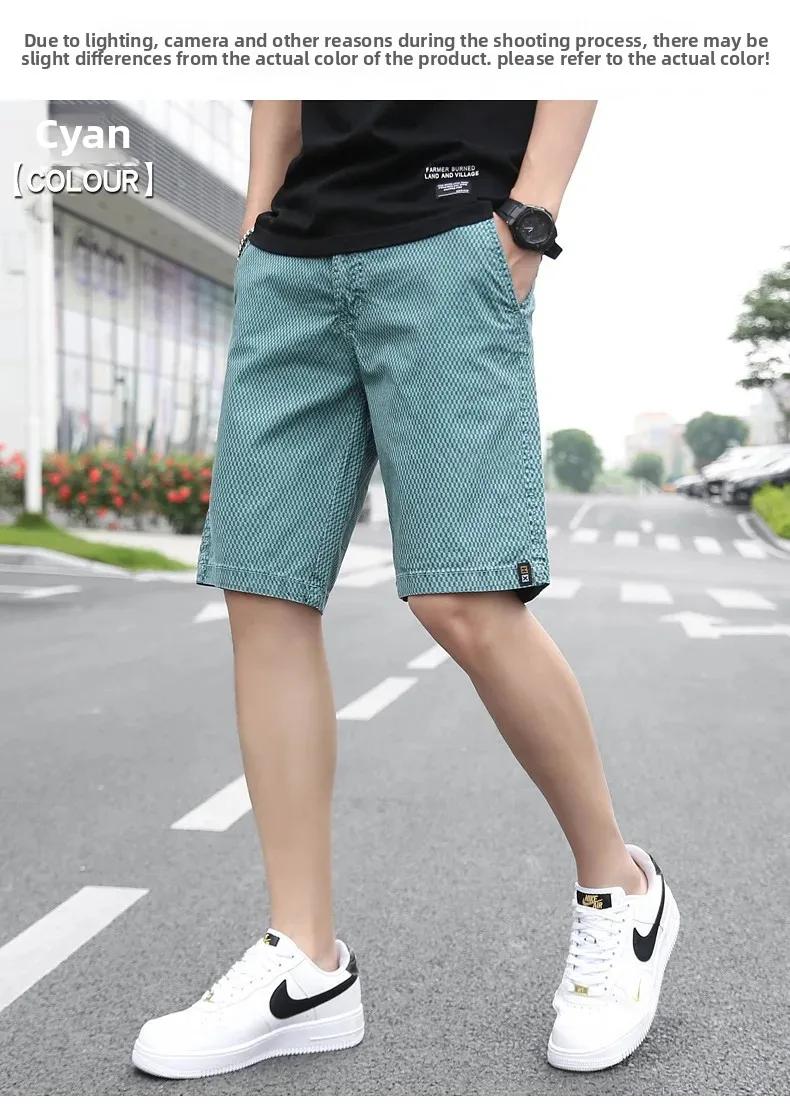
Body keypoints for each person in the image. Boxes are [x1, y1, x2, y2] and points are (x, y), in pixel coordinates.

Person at [132, 101, 679, 1080]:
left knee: (464, 599)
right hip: (292, 258)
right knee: (262, 592)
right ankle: (305, 962)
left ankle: (621, 889)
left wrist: (530, 218)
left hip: (451, 236)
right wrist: (257, 225)